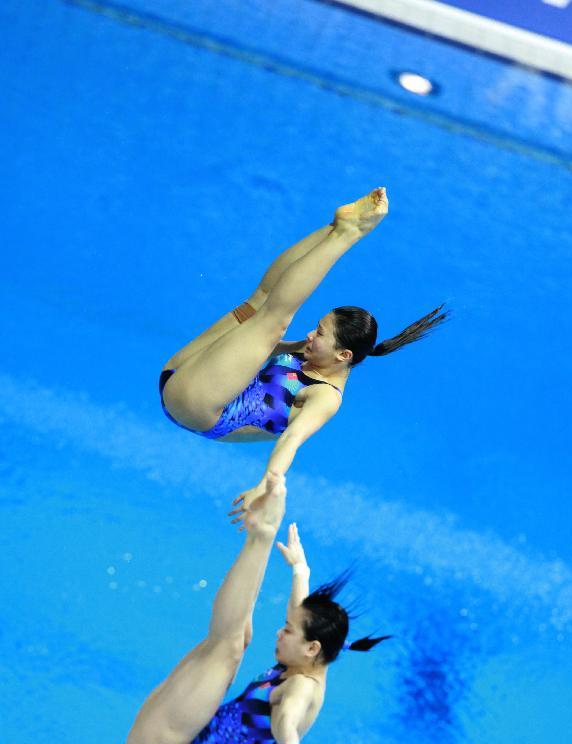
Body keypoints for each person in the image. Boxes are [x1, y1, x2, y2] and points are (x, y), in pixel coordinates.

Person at [157, 187, 448, 525]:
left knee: (272, 321)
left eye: (320, 334)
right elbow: (249, 347)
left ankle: (349, 232)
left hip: (197, 408)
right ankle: (335, 226)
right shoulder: (311, 355)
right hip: (180, 374)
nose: (310, 335)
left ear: (344, 355)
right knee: (262, 304)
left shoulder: (326, 397)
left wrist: (266, 485)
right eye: (317, 327)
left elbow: (291, 442)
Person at [125, 473, 389, 744]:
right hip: (169, 743)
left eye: (288, 631)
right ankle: (260, 537)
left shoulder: (302, 687)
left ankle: (260, 535)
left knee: (230, 644)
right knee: (238, 638)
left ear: (311, 647)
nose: (279, 631)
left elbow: (287, 718)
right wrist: (299, 572)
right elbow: (299, 614)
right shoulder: (313, 658)